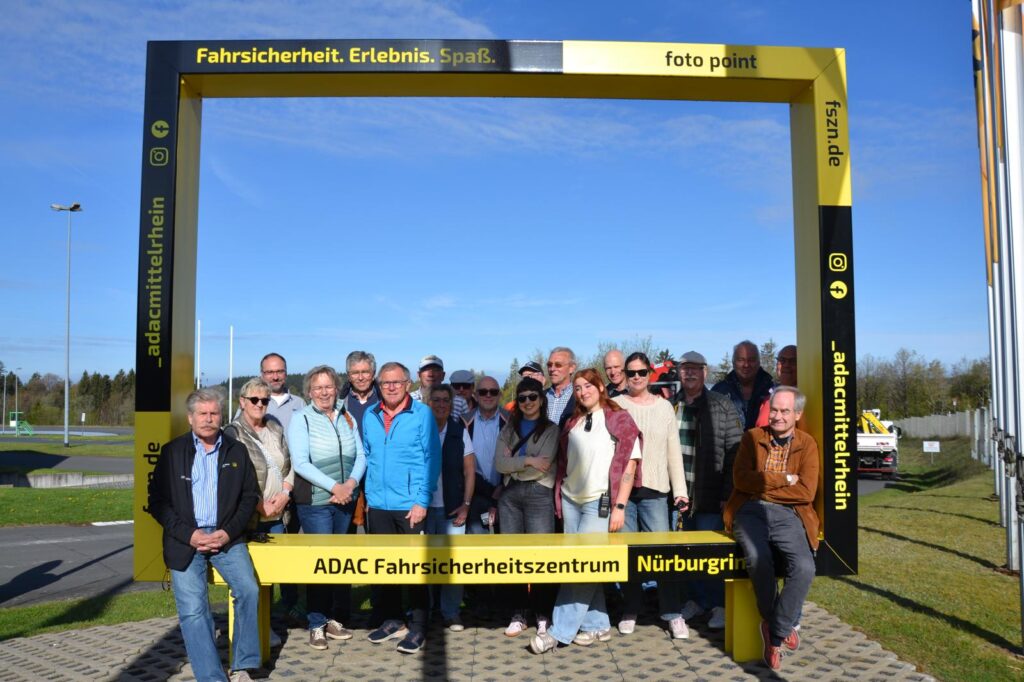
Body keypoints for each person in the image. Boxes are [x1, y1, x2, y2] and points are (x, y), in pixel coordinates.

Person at [147, 388, 262, 682]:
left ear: (221, 415)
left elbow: (249, 497)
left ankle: (244, 666)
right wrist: (190, 535)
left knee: (248, 590)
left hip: (227, 537)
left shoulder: (236, 450)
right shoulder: (172, 452)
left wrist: (226, 533)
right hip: (185, 540)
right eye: (203, 414)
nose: (209, 419)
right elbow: (157, 501)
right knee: (194, 611)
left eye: (214, 413)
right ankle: (211, 677)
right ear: (190, 418)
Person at [530, 369, 642, 654]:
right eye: (578, 387)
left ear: (600, 387)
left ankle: (558, 631)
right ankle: (597, 625)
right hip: (570, 500)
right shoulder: (572, 422)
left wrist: (620, 506)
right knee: (582, 566)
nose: (583, 391)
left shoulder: (619, 418)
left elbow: (629, 465)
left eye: (588, 386)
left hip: (600, 503)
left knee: (581, 566)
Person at [724, 387, 819, 671]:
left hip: (790, 514)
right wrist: (785, 479)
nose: (777, 416)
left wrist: (765, 487)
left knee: (804, 567)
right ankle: (780, 632)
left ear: (797, 414)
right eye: (774, 410)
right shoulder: (752, 438)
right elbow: (741, 480)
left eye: (784, 411)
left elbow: (806, 491)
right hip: (749, 510)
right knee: (757, 559)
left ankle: (775, 629)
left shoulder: (807, 444)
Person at [362, 361, 441, 654]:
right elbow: (369, 456)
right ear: (378, 386)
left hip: (411, 506)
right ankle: (393, 621)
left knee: (415, 570)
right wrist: (370, 496)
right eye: (385, 383)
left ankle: (419, 626)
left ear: (407, 383)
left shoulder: (422, 414)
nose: (391, 387)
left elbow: (432, 458)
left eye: (397, 382)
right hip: (379, 505)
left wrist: (422, 500)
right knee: (386, 568)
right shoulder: (370, 415)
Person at [287, 365, 366, 651]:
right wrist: (336, 487)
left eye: (329, 387)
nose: (324, 392)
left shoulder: (346, 416)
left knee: (339, 563)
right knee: (321, 564)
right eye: (318, 388)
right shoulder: (301, 419)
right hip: (317, 503)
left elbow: (360, 455)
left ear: (336, 389)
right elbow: (301, 462)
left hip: (345, 500)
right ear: (309, 392)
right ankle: (316, 623)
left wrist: (351, 484)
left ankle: (333, 619)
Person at [611, 352, 689, 639]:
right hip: (624, 495)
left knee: (663, 555)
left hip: (656, 491)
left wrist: (680, 491)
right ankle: (631, 609)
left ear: (649, 375)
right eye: (630, 373)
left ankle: (673, 613)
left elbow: (673, 454)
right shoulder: (615, 406)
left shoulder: (664, 408)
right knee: (629, 555)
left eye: (641, 372)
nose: (636, 378)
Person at [675, 351, 743, 630]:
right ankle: (696, 600)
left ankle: (719, 605)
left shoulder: (721, 406)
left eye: (695, 369)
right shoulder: (671, 405)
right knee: (685, 555)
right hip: (679, 496)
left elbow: (735, 453)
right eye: (685, 369)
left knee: (712, 556)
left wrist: (727, 494)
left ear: (705, 373)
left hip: (710, 494)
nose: (689, 373)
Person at [223, 378, 294, 649]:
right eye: (254, 400)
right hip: (249, 517)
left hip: (277, 516)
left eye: (264, 400)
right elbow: (235, 478)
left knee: (269, 577)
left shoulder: (275, 427)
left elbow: (289, 464)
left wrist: (285, 494)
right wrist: (258, 504)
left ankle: (265, 625)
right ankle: (247, 633)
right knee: (246, 579)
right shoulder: (232, 433)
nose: (260, 405)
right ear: (242, 402)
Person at [494, 377, 559, 637]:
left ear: (541, 400)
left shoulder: (551, 429)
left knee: (541, 556)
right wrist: (530, 460)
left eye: (533, 397)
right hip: (510, 496)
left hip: (539, 494)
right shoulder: (508, 430)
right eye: (522, 398)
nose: (528, 402)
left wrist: (517, 462)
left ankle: (543, 613)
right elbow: (499, 463)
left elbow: (545, 464)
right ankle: (518, 613)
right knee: (513, 556)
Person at [425, 384, 476, 632]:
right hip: (424, 510)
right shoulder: (419, 431)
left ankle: (451, 612)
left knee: (453, 565)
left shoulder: (459, 432)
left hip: (453, 509)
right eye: (436, 400)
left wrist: (466, 505)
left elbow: (469, 472)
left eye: (446, 400)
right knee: (423, 565)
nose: (441, 404)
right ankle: (423, 610)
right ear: (428, 402)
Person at [463, 376, 508, 535]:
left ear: (500, 395)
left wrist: (502, 488)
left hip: (505, 493)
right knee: (476, 548)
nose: (488, 395)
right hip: (475, 494)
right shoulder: (464, 422)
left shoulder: (511, 421)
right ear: (475, 395)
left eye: (493, 392)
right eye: (483, 392)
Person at [712, 340, 774, 430]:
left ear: (759, 362)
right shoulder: (719, 391)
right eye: (741, 360)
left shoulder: (772, 391)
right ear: (733, 362)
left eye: (751, 360)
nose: (746, 365)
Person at [260, 353, 304, 432]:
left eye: (280, 371)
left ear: (286, 373)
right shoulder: (253, 402)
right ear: (262, 375)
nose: (275, 377)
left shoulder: (299, 403)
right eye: (270, 372)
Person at [756, 345, 798, 428]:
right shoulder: (767, 394)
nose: (786, 365)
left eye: (792, 361)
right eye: (782, 360)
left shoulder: (803, 398)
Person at [340, 350, 381, 430]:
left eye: (365, 372)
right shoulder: (339, 403)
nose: (360, 378)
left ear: (373, 374)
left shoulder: (384, 401)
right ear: (349, 376)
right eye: (355, 373)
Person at [545, 347, 578, 428]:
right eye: (549, 365)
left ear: (571, 368)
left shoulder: (580, 397)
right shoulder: (540, 397)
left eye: (558, 365)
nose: (552, 369)